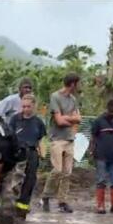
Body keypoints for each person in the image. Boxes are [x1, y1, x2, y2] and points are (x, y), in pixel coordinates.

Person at [43, 73, 81, 214]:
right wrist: (72, 119)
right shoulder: (55, 97)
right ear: (72, 84)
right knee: (57, 170)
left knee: (67, 173)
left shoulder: (73, 99)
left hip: (70, 138)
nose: (79, 86)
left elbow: (79, 118)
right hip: (57, 139)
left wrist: (68, 119)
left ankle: (62, 201)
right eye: (78, 83)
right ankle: (46, 196)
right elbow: (59, 121)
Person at [8, 94, 46, 224]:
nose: (26, 109)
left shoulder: (38, 122)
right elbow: (9, 138)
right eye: (23, 106)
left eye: (28, 106)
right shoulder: (14, 120)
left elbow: (41, 140)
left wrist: (43, 154)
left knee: (29, 183)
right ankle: (9, 211)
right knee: (14, 184)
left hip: (32, 153)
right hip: (17, 154)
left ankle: (21, 213)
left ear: (34, 106)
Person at [90, 98, 113, 214]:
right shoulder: (99, 121)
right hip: (101, 155)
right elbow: (93, 137)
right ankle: (100, 205)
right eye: (110, 109)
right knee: (101, 180)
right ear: (107, 108)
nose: (112, 112)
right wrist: (92, 151)